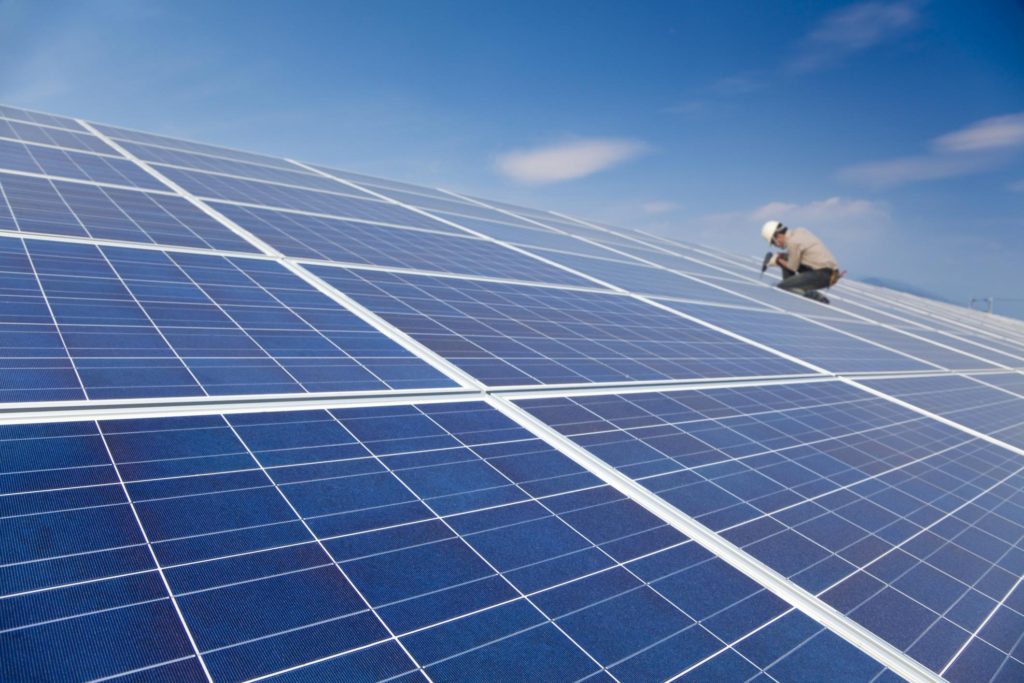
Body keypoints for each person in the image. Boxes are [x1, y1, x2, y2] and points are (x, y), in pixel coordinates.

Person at [761, 220, 840, 304]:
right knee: (785, 259)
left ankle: (815, 297)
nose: (776, 246)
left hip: (824, 274)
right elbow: (796, 256)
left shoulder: (792, 242)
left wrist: (777, 260)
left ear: (777, 236)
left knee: (783, 286)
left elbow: (792, 267)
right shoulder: (799, 231)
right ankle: (793, 286)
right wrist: (781, 258)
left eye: (773, 243)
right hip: (829, 272)